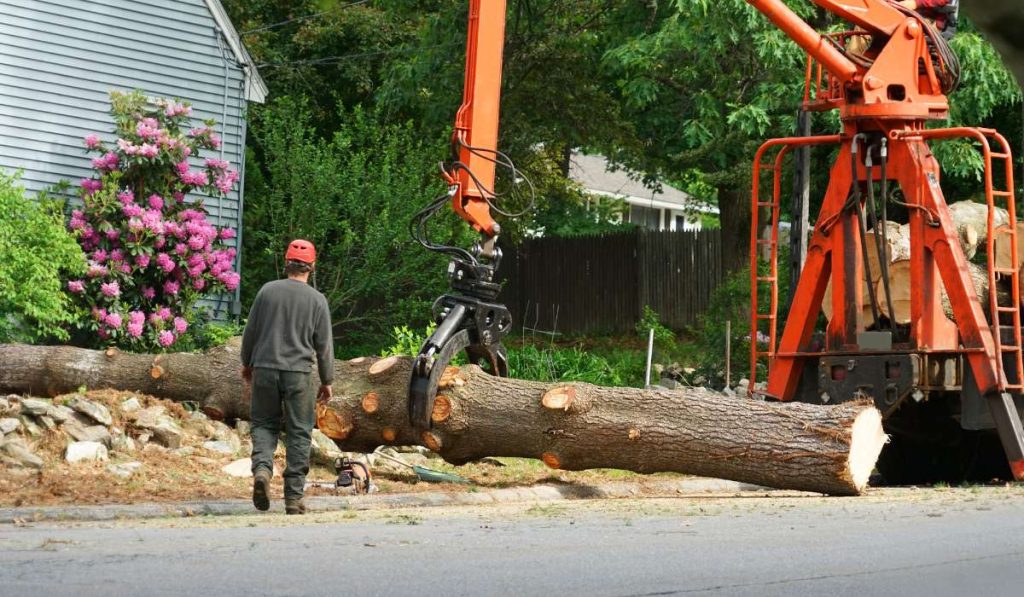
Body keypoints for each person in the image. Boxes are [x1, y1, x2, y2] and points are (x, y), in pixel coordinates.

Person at [241, 239, 334, 515]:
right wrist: (327, 380)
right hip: (299, 374)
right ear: (312, 267)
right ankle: (293, 499)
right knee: (299, 432)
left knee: (263, 424)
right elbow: (324, 345)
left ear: (286, 263)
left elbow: (251, 333)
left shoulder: (267, 292)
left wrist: (247, 363)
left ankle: (262, 472)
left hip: (265, 369)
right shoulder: (317, 300)